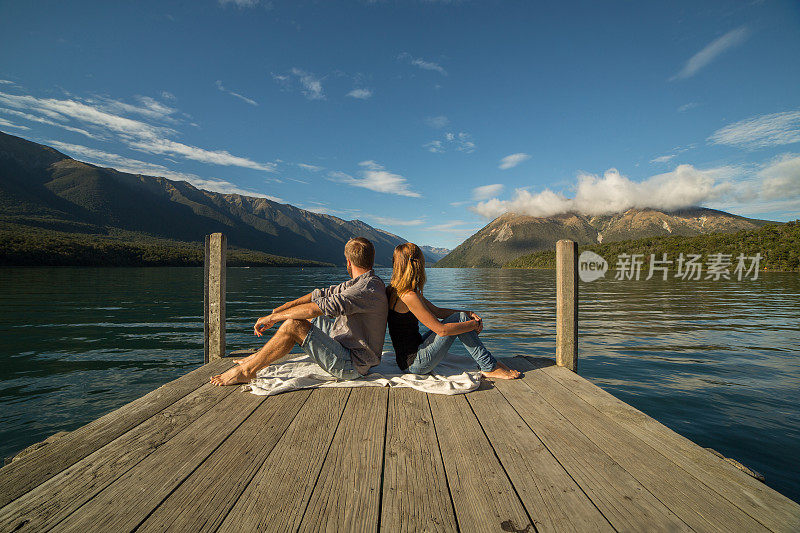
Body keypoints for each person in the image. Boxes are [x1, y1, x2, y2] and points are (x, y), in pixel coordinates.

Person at [210, 237, 388, 386]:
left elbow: (314, 309)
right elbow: (319, 295)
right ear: (371, 259)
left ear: (348, 262)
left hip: (353, 364)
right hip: (347, 347)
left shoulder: (364, 289)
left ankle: (247, 371)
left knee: (294, 325)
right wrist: (282, 308)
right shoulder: (363, 282)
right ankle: (257, 357)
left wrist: (273, 318)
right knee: (304, 320)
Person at [386, 242, 521, 379]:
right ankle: (489, 366)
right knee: (460, 320)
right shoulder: (409, 296)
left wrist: (468, 313)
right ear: (417, 265)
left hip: (408, 357)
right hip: (414, 364)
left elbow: (437, 311)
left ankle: (489, 363)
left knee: (461, 316)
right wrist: (472, 325)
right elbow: (441, 330)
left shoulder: (395, 289)